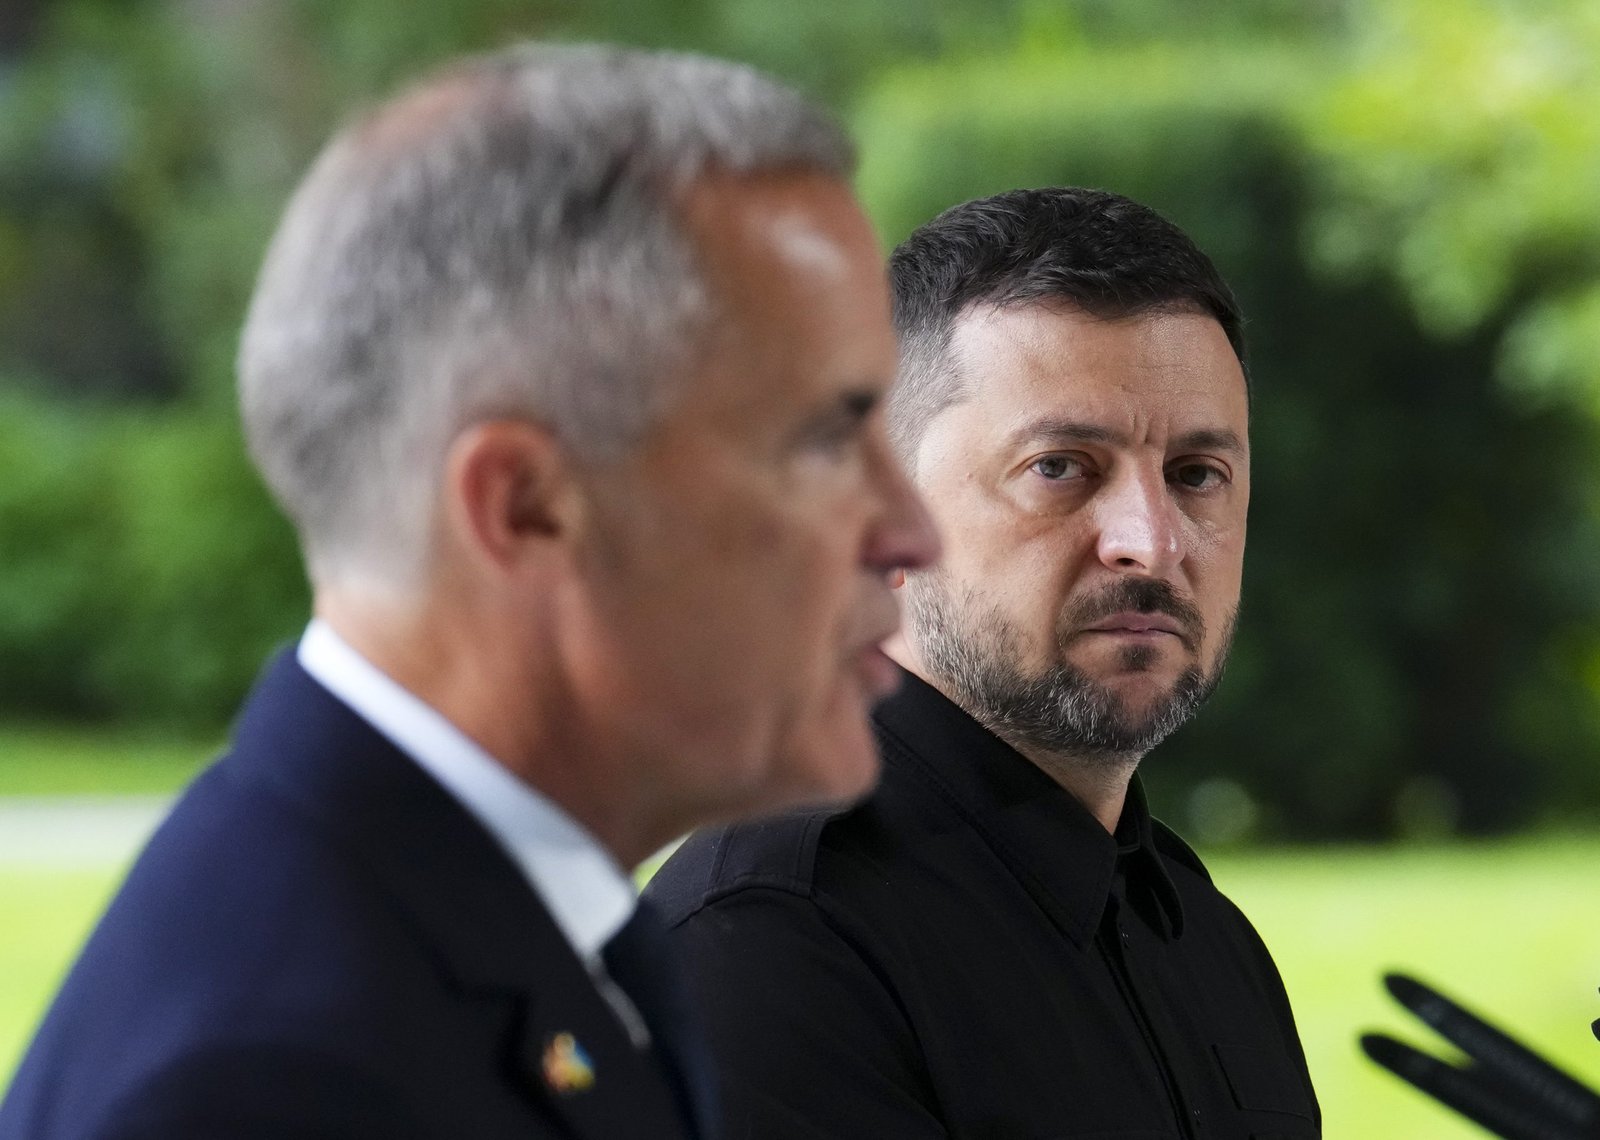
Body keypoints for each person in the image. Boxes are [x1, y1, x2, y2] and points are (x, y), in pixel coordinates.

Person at [0, 43, 936, 1140]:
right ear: (525, 506)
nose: (910, 531)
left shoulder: (488, 920)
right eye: (828, 439)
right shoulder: (273, 1083)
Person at [646, 187, 1322, 1138]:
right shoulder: (768, 942)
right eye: (1061, 466)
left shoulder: (1203, 936)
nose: (1151, 540)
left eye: (1196, 475)